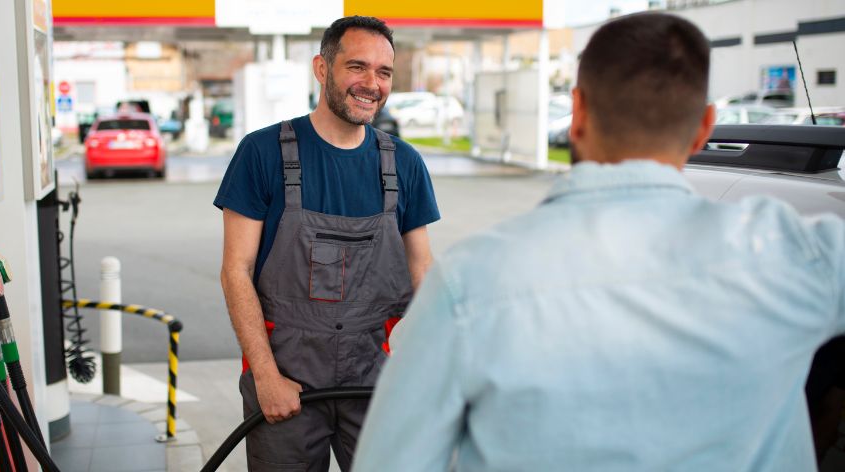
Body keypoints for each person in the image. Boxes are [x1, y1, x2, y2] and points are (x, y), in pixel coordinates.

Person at [352, 12, 845, 471]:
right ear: (703, 129)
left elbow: (392, 462)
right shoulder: (794, 253)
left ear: (578, 113)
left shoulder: (470, 281)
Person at [214, 15, 440, 471]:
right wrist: (266, 377)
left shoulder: (406, 164)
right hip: (287, 382)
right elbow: (235, 271)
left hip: (379, 382)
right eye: (357, 67)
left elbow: (423, 274)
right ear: (322, 68)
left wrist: (432, 370)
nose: (371, 84)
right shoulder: (262, 154)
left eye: (384, 72)